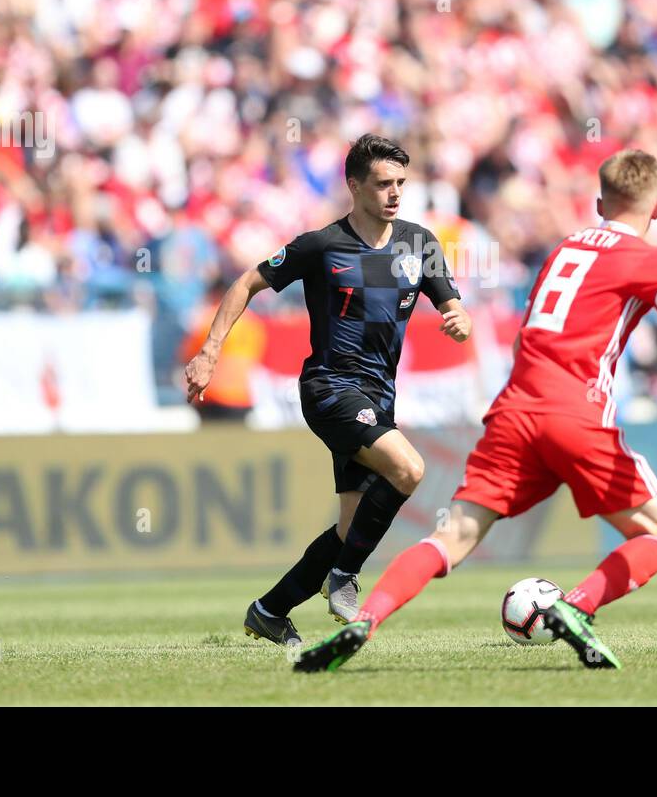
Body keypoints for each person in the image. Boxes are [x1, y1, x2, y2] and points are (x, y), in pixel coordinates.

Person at [294, 149, 657, 672]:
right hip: (577, 413)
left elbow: (528, 333)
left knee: (454, 536)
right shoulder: (654, 257)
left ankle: (367, 619)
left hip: (513, 410)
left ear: (600, 201)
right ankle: (575, 607)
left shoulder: (564, 250)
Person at [184, 134, 471, 647]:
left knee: (349, 528)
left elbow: (453, 305)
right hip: (330, 387)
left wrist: (458, 318)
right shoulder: (321, 246)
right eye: (383, 184)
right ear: (354, 185)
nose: (395, 193)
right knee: (409, 468)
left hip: (380, 396)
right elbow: (246, 282)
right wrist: (210, 351)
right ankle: (344, 577)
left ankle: (269, 610)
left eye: (401, 183)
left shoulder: (419, 243)